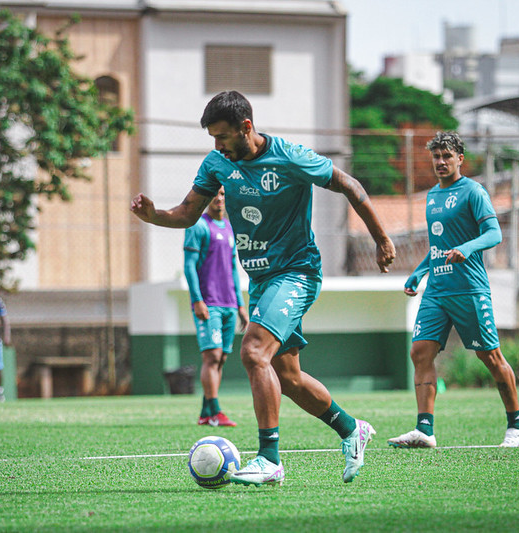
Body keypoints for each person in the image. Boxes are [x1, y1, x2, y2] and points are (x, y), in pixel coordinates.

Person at [131, 90, 396, 486]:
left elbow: (349, 185)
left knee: (253, 351)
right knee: (287, 378)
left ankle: (269, 461)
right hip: (260, 280)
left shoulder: (289, 156)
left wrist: (381, 239)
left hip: (296, 272)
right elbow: (188, 214)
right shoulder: (218, 162)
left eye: (222, 136)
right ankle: (351, 429)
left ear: (246, 127)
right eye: (213, 139)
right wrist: (155, 216)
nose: (217, 145)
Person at [388, 131, 519, 449]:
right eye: (436, 156)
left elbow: (493, 233)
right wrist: (420, 272)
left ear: (460, 159)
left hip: (469, 289)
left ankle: (516, 426)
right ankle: (425, 429)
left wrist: (468, 247)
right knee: (419, 352)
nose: (440, 162)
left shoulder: (473, 191)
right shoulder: (432, 196)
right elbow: (438, 245)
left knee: (490, 356)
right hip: (437, 290)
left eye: (446, 156)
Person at [184, 186, 249, 427]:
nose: (219, 198)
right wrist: (197, 299)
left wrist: (240, 304)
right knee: (211, 356)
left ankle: (205, 412)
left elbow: (233, 269)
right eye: (215, 193)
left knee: (221, 358)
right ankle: (215, 411)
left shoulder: (230, 228)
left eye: (223, 193)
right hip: (208, 303)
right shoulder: (198, 226)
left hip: (229, 304)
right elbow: (189, 266)